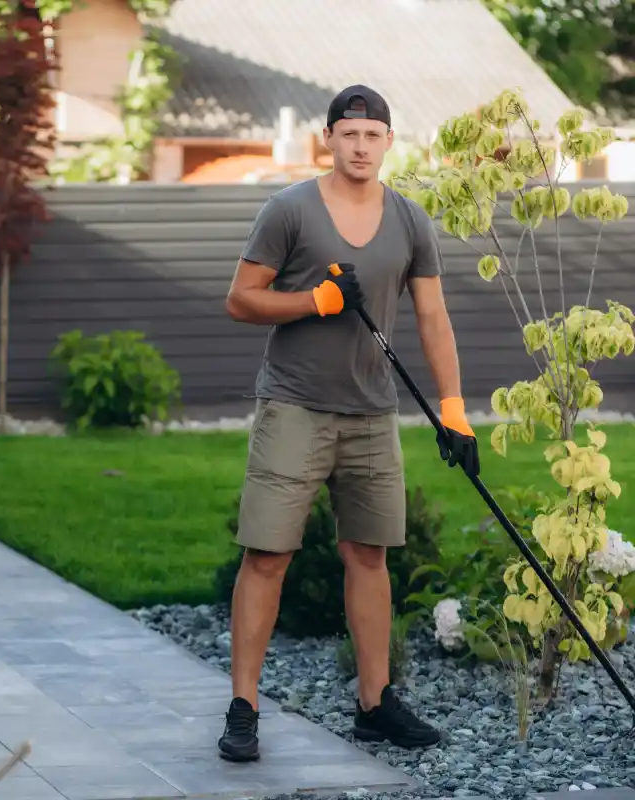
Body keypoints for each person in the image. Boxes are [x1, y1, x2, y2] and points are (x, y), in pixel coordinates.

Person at [217, 84, 480, 763]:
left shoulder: (411, 221)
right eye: (349, 134)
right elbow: (241, 300)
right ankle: (243, 706)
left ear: (389, 142)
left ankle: (374, 704)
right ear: (329, 139)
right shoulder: (290, 211)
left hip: (373, 413)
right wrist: (317, 299)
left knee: (369, 555)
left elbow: (432, 319)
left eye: (373, 135)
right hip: (294, 408)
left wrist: (454, 410)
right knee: (268, 555)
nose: (361, 146)